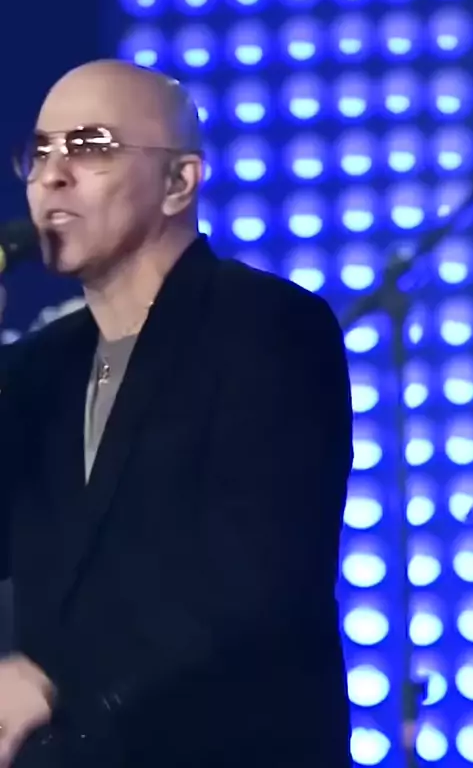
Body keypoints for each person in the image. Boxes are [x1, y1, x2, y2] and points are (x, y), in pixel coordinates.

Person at [0, 60, 353, 768]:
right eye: (39, 152)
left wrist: (54, 676)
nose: (51, 176)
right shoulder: (36, 367)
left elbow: (253, 573)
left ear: (178, 183)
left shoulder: (268, 325)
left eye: (90, 146)